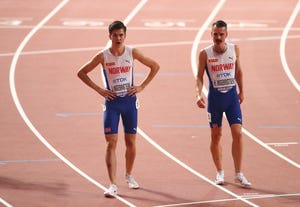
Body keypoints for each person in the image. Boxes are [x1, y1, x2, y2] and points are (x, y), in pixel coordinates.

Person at [77, 20, 159, 197]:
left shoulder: (132, 52)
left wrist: (142, 86)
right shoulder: (103, 56)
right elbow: (81, 72)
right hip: (112, 104)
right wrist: (99, 89)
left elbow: (155, 66)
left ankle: (129, 175)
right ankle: (112, 184)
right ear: (110, 36)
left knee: (130, 142)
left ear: (125, 36)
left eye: (121, 35)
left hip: (129, 102)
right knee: (111, 143)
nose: (118, 38)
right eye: (115, 35)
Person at [195, 20, 251, 188]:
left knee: (238, 133)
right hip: (215, 100)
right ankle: (219, 171)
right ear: (211, 35)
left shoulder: (234, 49)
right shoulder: (205, 53)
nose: (218, 37)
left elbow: (239, 71)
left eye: (221, 34)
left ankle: (239, 173)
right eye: (215, 34)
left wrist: (242, 91)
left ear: (226, 35)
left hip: (232, 98)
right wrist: (198, 94)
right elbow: (199, 77)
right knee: (216, 135)